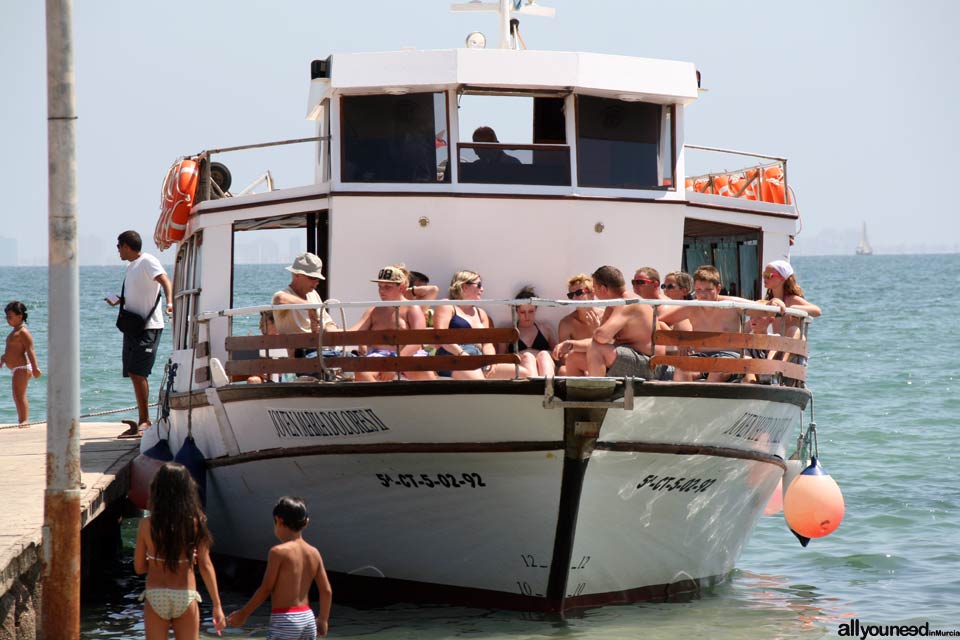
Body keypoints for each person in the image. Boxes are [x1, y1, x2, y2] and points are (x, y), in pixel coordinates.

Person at [134, 462, 226, 639]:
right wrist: (217, 605)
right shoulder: (196, 523)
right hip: (185, 594)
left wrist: (155, 562)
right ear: (187, 490)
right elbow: (206, 565)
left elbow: (138, 568)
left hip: (156, 595)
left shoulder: (146, 525)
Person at [227, 496, 332, 638]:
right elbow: (326, 590)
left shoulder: (278, 552)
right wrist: (323, 620)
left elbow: (266, 589)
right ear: (306, 522)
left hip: (285, 620)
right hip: (307, 618)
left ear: (279, 520)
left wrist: (243, 613)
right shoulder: (314, 553)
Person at [108, 230, 173, 437]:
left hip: (149, 326)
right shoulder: (131, 266)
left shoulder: (147, 261)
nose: (117, 250)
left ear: (126, 245)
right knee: (133, 372)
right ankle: (142, 419)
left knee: (138, 371)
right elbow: (137, 292)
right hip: (133, 327)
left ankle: (145, 420)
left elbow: (164, 280)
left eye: (118, 246)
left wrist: (170, 303)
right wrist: (120, 299)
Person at [559, 266, 660, 379]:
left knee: (596, 349)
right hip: (632, 359)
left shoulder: (627, 302)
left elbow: (601, 337)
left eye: (595, 288)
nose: (594, 292)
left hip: (650, 364)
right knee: (573, 357)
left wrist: (596, 330)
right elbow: (599, 340)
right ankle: (580, 395)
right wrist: (570, 345)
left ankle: (598, 394)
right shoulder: (612, 306)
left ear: (603, 289)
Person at [433, 271, 533, 379]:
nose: (482, 289)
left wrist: (490, 360)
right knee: (479, 381)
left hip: (479, 359)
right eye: (479, 285)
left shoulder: (481, 313)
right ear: (464, 286)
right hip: (453, 358)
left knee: (524, 375)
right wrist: (462, 354)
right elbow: (441, 337)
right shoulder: (447, 306)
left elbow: (487, 344)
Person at [658, 265, 746, 382]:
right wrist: (680, 340)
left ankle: (706, 400)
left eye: (708, 290)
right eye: (698, 290)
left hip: (729, 357)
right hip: (701, 357)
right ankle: (683, 400)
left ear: (718, 288)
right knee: (682, 369)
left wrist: (774, 301)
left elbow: (762, 308)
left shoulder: (732, 305)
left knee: (716, 371)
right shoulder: (692, 307)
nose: (703, 295)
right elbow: (660, 320)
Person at [349, 265, 435, 381]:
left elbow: (418, 340)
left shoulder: (412, 308)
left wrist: (395, 364)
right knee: (362, 373)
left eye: (387, 287)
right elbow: (354, 332)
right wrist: (329, 329)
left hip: (408, 357)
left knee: (426, 375)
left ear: (401, 287)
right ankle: (379, 398)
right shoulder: (374, 310)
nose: (382, 291)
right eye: (380, 287)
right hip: (379, 357)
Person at [272, 253, 339, 358]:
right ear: (296, 275)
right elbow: (279, 298)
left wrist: (332, 332)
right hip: (303, 356)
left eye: (318, 278)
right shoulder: (285, 295)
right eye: (312, 277)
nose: (317, 282)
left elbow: (328, 323)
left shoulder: (314, 295)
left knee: (354, 359)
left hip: (323, 352)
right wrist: (309, 307)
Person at [1, 301, 42, 424]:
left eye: (10, 317)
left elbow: (30, 350)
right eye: (6, 317)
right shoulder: (14, 332)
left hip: (22, 368)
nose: (8, 320)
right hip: (16, 368)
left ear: (20, 316)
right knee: (16, 395)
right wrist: (3, 359)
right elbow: (11, 351)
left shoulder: (23, 332)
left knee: (20, 395)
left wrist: (35, 368)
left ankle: (24, 420)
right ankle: (21, 419)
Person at [553, 274, 601, 375]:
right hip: (579, 365)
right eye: (571, 295)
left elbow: (613, 346)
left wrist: (597, 331)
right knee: (562, 371)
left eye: (579, 293)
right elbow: (563, 356)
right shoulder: (566, 323)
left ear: (592, 294)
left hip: (601, 362)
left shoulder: (604, 316)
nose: (574, 298)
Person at [761, 260, 822, 339]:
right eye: (764, 275)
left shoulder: (791, 299)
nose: (765, 278)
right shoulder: (769, 301)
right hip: (777, 344)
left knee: (794, 330)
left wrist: (794, 309)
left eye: (769, 275)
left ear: (782, 278)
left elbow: (817, 311)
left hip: (791, 345)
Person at [508, 286, 557, 377]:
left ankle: (547, 386)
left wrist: (545, 353)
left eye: (531, 312)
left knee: (544, 355)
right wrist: (523, 355)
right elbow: (502, 358)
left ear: (536, 309)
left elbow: (557, 354)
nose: (527, 316)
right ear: (517, 311)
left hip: (544, 367)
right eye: (523, 312)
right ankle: (539, 388)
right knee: (528, 358)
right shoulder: (509, 333)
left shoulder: (546, 329)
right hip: (522, 369)